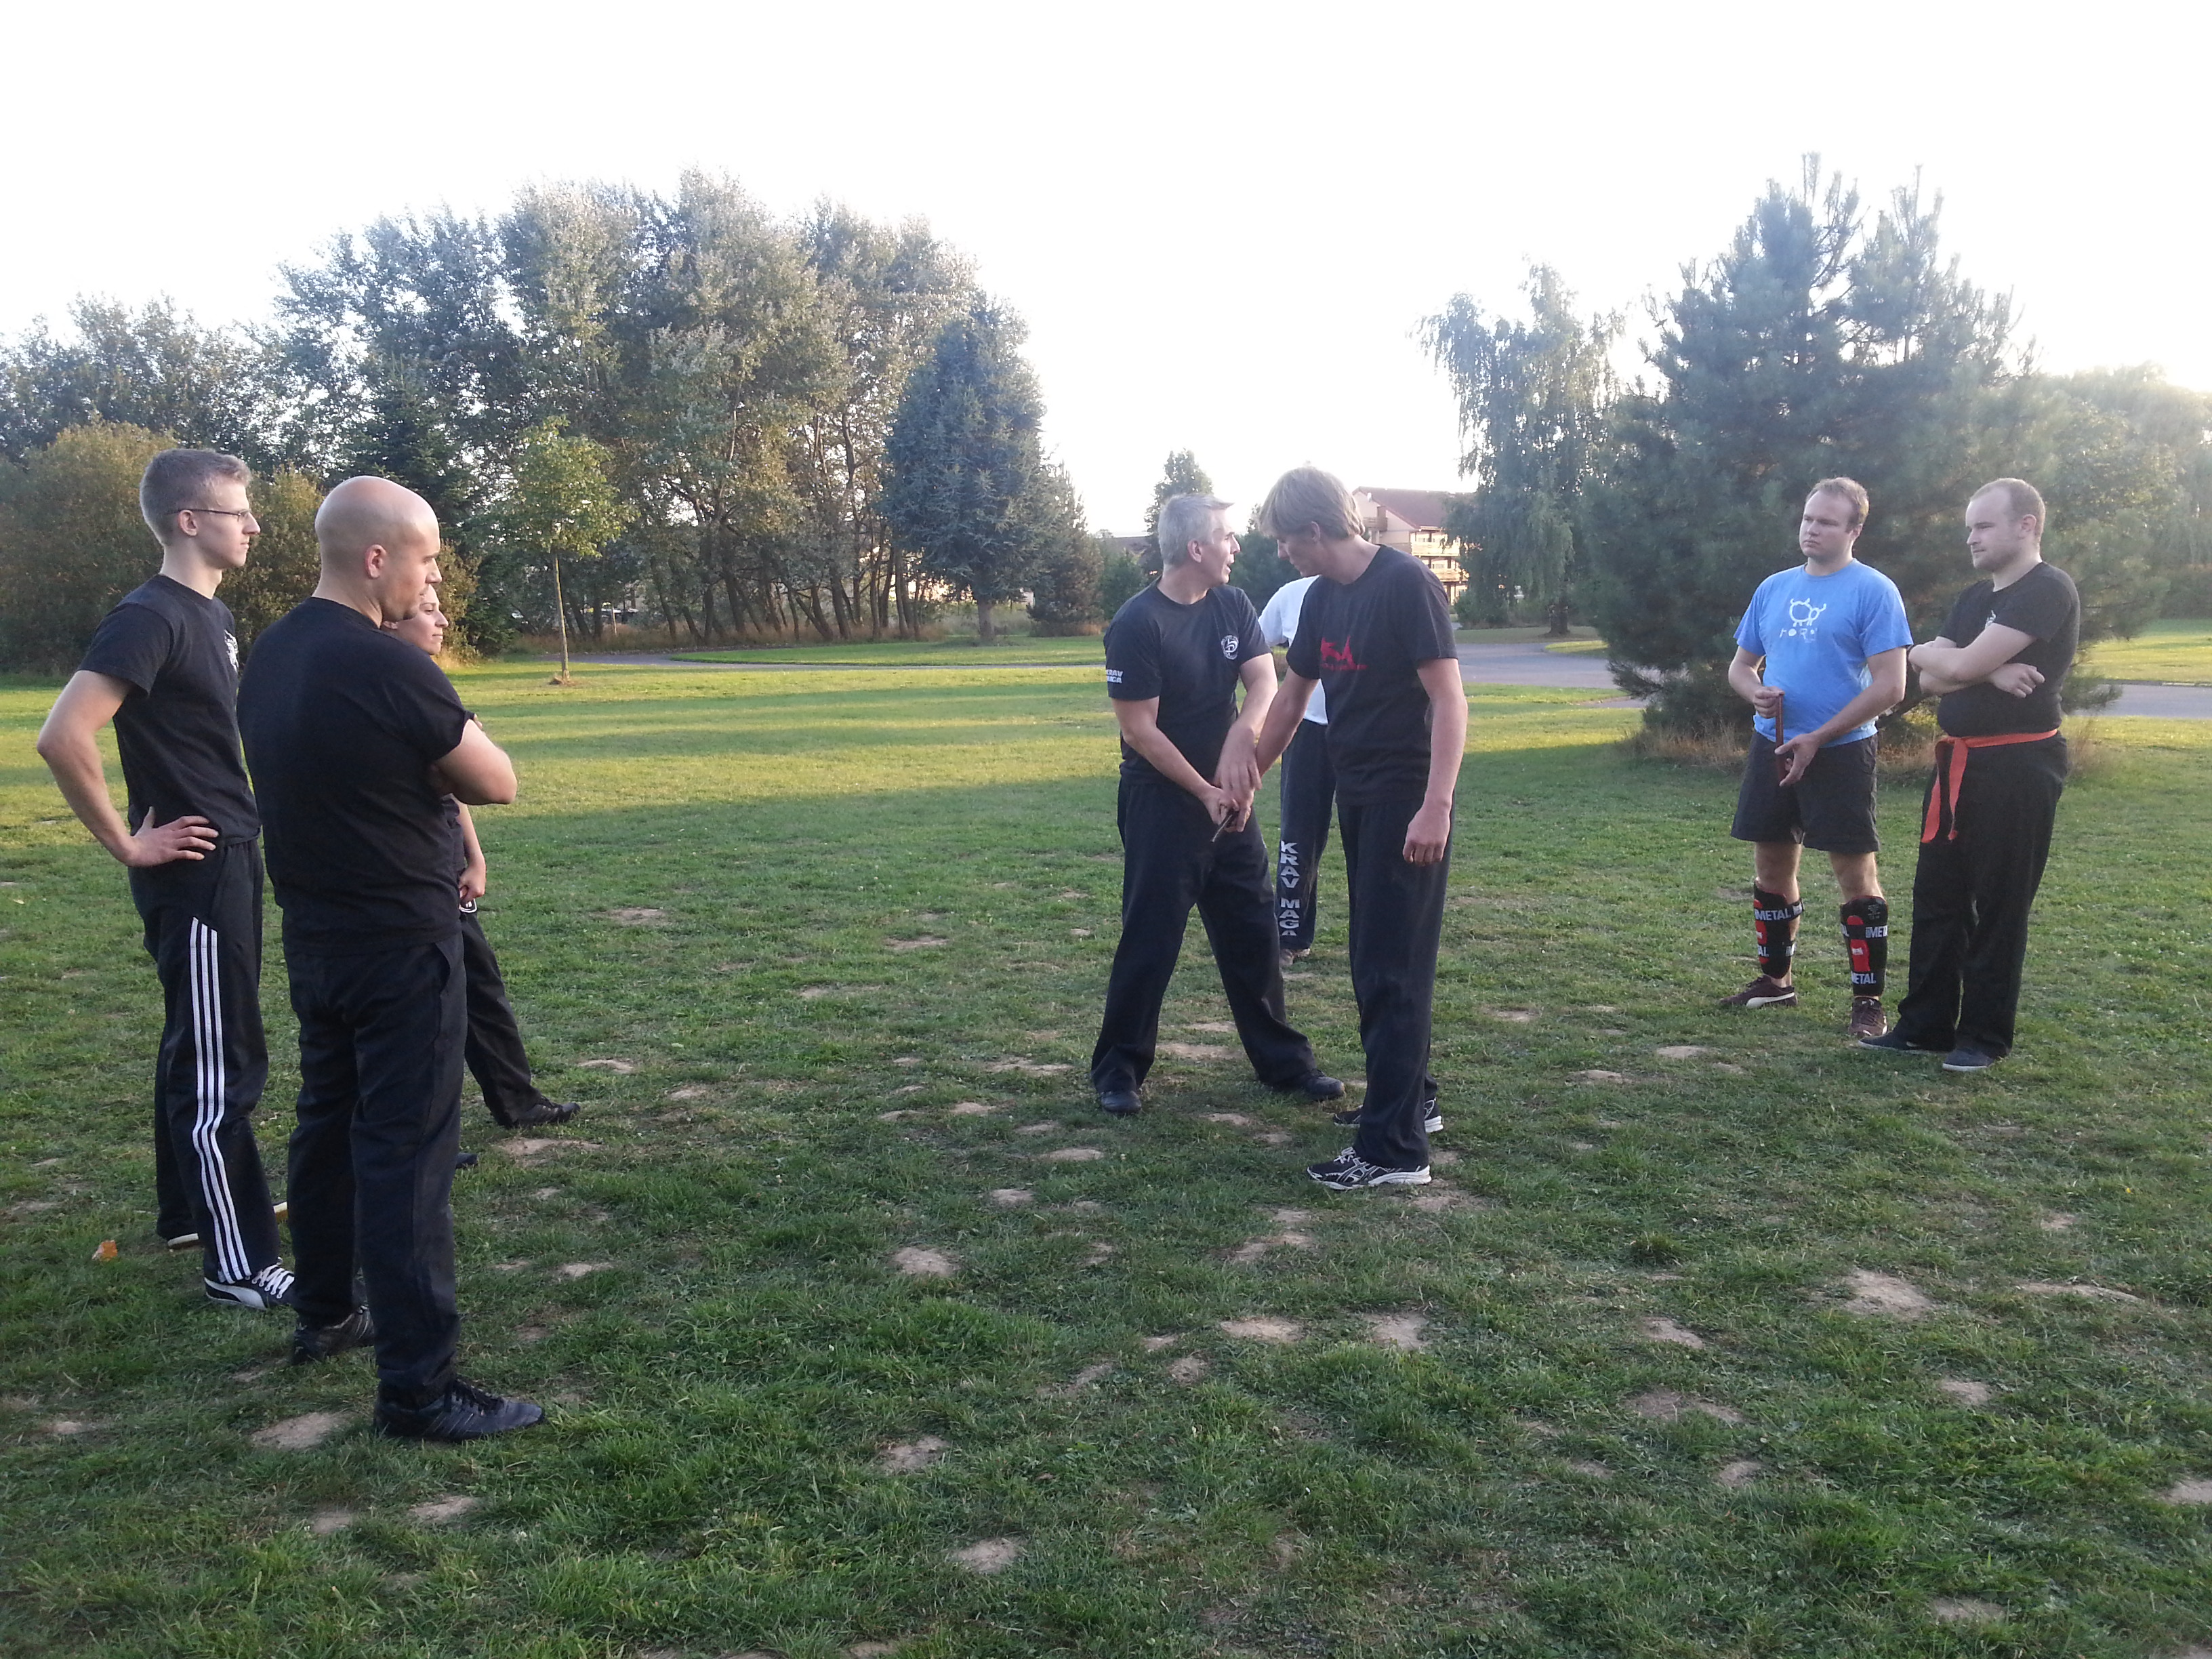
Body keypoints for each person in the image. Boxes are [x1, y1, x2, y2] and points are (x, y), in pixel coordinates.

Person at [238, 476, 541, 1440]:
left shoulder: (274, 651)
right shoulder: (387, 662)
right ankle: (419, 1390)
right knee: (406, 1158)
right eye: (428, 559)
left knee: (327, 1129)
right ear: (378, 559)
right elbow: (496, 779)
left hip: (317, 939)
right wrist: (430, 684)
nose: (432, 578)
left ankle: (326, 1312)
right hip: (403, 945)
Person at [35, 449, 295, 1310]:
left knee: (197, 1039)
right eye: (237, 512)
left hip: (229, 853)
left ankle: (189, 1212)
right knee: (225, 1064)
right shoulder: (149, 617)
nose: (253, 525)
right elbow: (64, 734)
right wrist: (127, 844)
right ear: (189, 522)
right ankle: (239, 1265)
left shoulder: (212, 615)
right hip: (194, 870)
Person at [1090, 492, 1343, 1117]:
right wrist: (1203, 790)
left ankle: (1285, 1065)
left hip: (1231, 802)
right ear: (1196, 548)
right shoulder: (1138, 623)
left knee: (1254, 932)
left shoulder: (1232, 604)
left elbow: (1264, 681)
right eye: (1227, 537)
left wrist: (1240, 739)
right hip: (1162, 803)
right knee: (1151, 938)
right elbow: (1139, 731)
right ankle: (1118, 1070)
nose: (1237, 546)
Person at [1253, 468, 1465, 1191]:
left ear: (1315, 530)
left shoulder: (1406, 585)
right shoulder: (1320, 599)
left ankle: (1394, 1154)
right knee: (1378, 959)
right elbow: (1292, 697)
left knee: (1390, 967)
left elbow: (1449, 700)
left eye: (1286, 540)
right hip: (1359, 793)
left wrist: (1436, 805)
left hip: (1408, 800)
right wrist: (1249, 776)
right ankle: (1411, 1100)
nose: (1283, 552)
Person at [1862, 478, 2078, 1072]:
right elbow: (1928, 675)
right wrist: (1986, 670)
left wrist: (1958, 662)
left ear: (2026, 525)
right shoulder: (1975, 597)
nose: (1971, 538)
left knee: (2000, 904)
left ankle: (1982, 1037)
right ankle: (1925, 1027)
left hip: (2019, 766)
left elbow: (1953, 665)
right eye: (1969, 527)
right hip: (1957, 762)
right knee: (1938, 896)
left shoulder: (2046, 589)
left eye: (1983, 526)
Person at [1720, 478, 1912, 1041]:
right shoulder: (1774, 588)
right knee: (1771, 869)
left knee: (1856, 877)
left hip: (1842, 752)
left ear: (1855, 530)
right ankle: (1776, 982)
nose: (1812, 529)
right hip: (1773, 746)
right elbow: (1741, 666)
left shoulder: (1874, 591)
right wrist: (1753, 692)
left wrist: (1820, 736)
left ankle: (1868, 1003)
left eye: (1827, 521)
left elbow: (1892, 685)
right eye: (1808, 518)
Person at [383, 592, 579, 1133]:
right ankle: (425, 1137)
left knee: (480, 988)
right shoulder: (392, 686)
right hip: (414, 876)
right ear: (392, 622)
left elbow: (456, 789)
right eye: (427, 610)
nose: (443, 620)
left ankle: (515, 1102)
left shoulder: (426, 685)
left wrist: (475, 856)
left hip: (446, 869)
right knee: (429, 1009)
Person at [1257, 573, 1334, 966]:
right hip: (1306, 732)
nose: (1284, 554)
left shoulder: (1379, 587)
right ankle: (1290, 937)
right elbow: (1253, 648)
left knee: (1373, 843)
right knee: (1298, 838)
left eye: (1288, 543)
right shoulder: (1290, 595)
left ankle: (1378, 941)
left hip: (1367, 732)